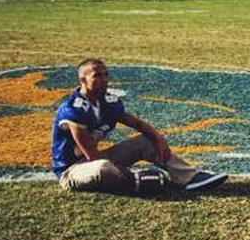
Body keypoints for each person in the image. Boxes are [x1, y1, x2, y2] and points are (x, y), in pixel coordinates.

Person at [51, 58, 228, 194]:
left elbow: (137, 124)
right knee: (103, 167)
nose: (104, 79)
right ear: (82, 80)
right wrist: (126, 174)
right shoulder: (72, 109)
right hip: (73, 171)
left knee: (146, 140)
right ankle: (136, 181)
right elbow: (92, 155)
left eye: (106, 74)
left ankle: (189, 177)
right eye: (97, 75)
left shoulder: (107, 101)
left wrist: (158, 138)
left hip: (97, 160)